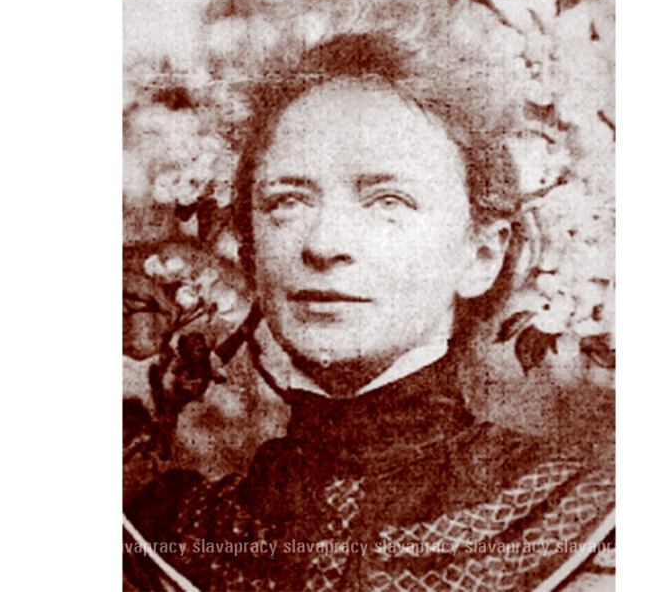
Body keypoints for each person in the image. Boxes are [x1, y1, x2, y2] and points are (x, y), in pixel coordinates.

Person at [123, 33, 614, 592]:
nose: (324, 244)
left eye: (388, 201)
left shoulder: (584, 524)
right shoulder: (171, 535)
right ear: (251, 252)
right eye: (288, 201)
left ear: (480, 255)